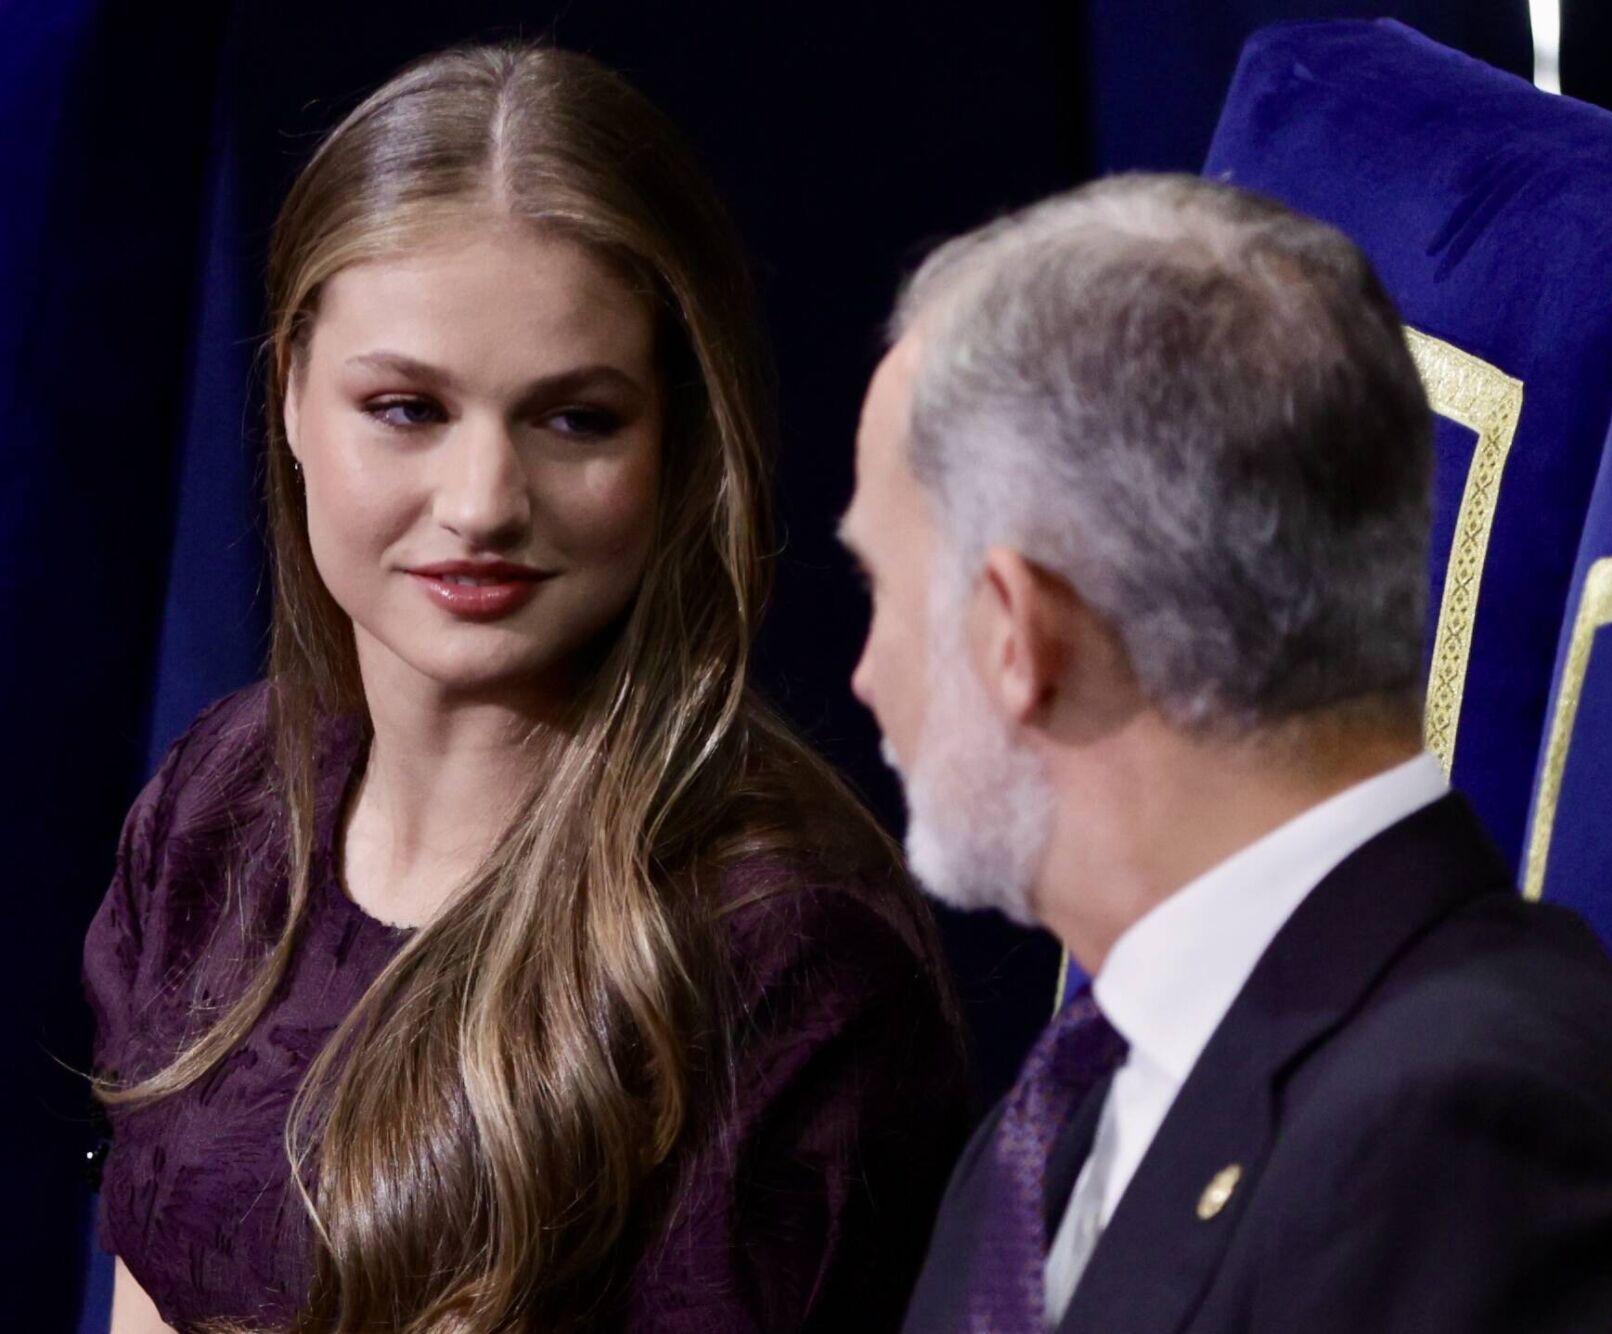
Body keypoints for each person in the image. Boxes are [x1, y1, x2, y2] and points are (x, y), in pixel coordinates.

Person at [83, 43, 966, 1334]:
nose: (485, 503)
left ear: (678, 440)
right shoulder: (222, 801)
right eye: (405, 408)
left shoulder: (780, 954)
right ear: (287, 397)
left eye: (576, 420)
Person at [838, 174, 1612, 1332]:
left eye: (879, 588)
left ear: (1014, 632)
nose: (862, 675)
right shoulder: (1071, 1100)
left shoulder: (1476, 1151)